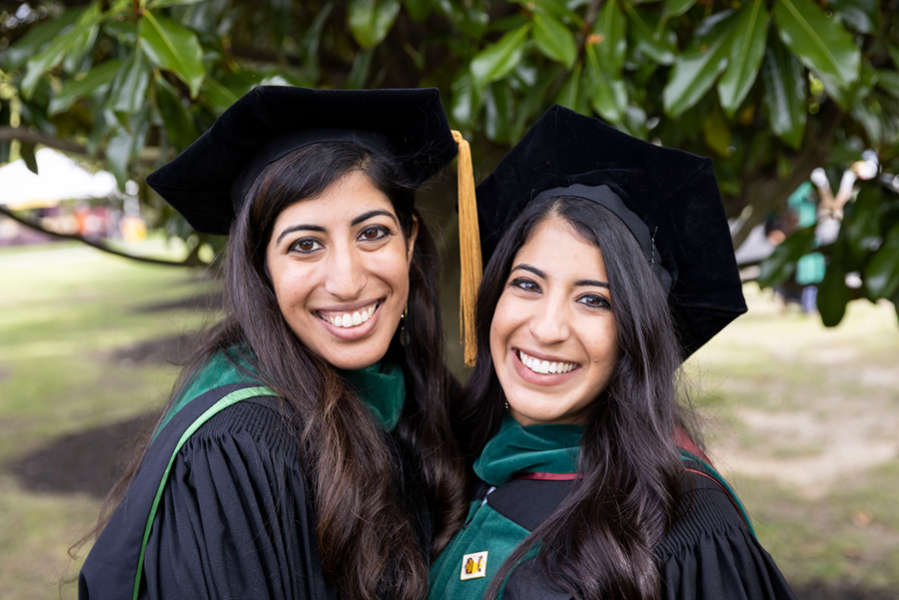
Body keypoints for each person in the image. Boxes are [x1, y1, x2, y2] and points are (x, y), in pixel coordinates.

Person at [78, 87, 470, 600]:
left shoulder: (418, 389)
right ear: (261, 266)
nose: (348, 280)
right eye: (305, 245)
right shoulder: (239, 445)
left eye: (372, 233)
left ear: (410, 238)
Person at [430, 106, 797, 600]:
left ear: (636, 333)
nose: (546, 327)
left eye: (593, 300)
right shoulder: (461, 464)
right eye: (526, 284)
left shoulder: (687, 521)